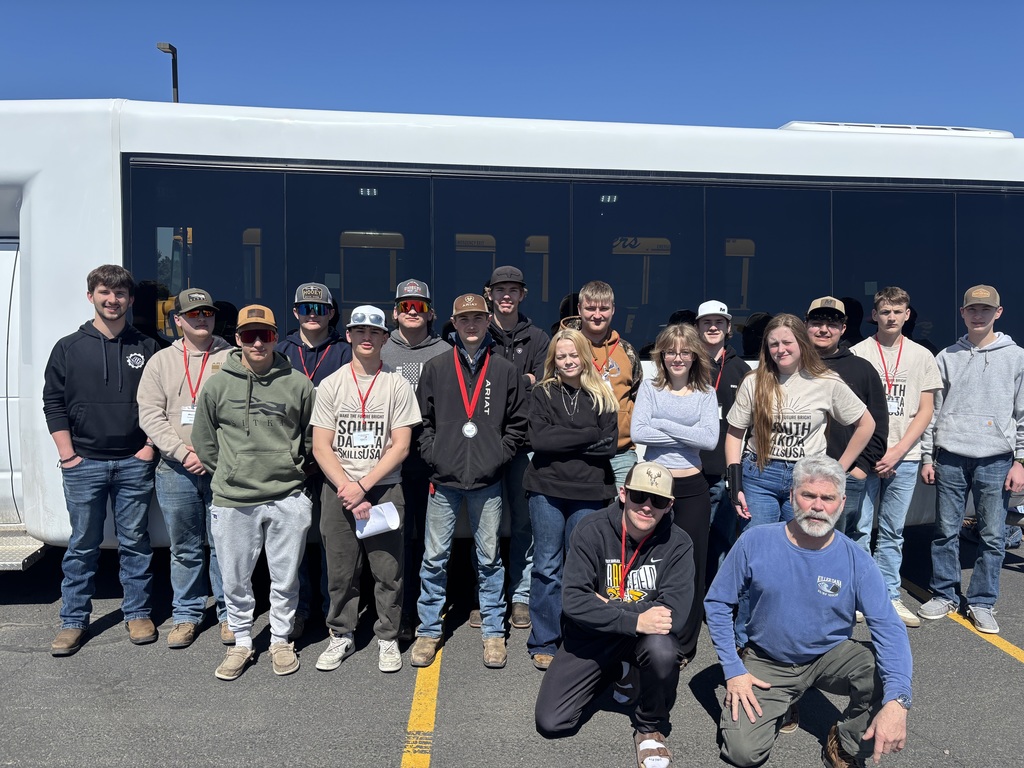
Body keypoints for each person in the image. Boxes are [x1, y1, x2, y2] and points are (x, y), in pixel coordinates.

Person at [705, 455, 912, 768]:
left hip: (829, 655)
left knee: (888, 675)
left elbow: (889, 628)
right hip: (768, 658)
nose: (818, 506)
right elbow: (718, 603)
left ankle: (843, 744)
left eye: (827, 498)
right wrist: (733, 670)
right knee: (742, 752)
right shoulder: (755, 542)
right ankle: (783, 700)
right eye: (808, 495)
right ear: (792, 497)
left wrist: (899, 702)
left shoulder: (857, 560)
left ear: (841, 503)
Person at [724, 313, 875, 649]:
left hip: (806, 482)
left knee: (802, 559)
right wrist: (735, 484)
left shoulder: (828, 381)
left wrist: (839, 470)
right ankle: (746, 642)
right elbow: (735, 434)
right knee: (759, 556)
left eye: (786, 342)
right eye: (773, 343)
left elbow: (866, 424)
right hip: (760, 475)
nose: (780, 349)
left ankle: (792, 637)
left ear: (801, 344)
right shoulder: (755, 381)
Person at [535, 461, 694, 768]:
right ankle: (619, 671)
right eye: (639, 496)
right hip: (592, 636)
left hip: (642, 640)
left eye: (658, 500)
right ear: (623, 494)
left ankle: (649, 728)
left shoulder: (678, 543)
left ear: (669, 505)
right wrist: (634, 618)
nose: (647, 507)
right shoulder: (591, 528)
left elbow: (675, 614)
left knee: (663, 649)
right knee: (553, 722)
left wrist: (605, 604)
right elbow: (573, 601)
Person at [192, 305, 315, 680]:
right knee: (235, 578)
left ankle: (280, 640)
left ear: (277, 336)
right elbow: (204, 439)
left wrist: (293, 470)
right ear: (238, 339)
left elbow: (311, 438)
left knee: (285, 576)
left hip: (287, 496)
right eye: (249, 335)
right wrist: (231, 470)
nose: (258, 342)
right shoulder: (217, 385)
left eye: (265, 334)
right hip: (233, 499)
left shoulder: (297, 383)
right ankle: (242, 642)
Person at [44, 264, 159, 656]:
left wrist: (148, 448)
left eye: (120, 294)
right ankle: (73, 621)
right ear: (90, 295)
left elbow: (158, 404)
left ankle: (138, 613)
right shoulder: (68, 347)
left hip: (133, 461)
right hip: (84, 464)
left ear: (130, 299)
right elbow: (53, 403)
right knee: (81, 546)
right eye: (105, 293)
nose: (113, 300)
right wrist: (68, 455)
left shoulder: (146, 346)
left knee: (135, 543)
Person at [410, 293, 527, 670]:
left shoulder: (505, 369)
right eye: (465, 319)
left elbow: (517, 425)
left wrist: (497, 457)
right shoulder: (437, 367)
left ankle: (493, 633)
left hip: (487, 482)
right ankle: (428, 631)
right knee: (434, 559)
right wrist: (435, 455)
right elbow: (422, 423)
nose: (472, 325)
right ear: (453, 323)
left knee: (489, 560)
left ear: (488, 319)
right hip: (443, 482)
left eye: (478, 318)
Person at [311, 305, 421, 673]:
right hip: (338, 490)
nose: (367, 338)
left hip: (384, 490)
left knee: (388, 572)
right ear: (349, 336)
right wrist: (348, 487)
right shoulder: (331, 384)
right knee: (341, 572)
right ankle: (341, 635)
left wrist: (364, 486)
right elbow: (321, 446)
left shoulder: (397, 384)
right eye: (360, 331)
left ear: (385, 338)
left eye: (374, 332)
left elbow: (401, 446)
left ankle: (387, 638)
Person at [918, 285, 1024, 634]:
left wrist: (1021, 461)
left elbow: (1022, 414)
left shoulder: (1016, 357)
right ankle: (944, 594)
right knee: (945, 531)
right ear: (962, 313)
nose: (978, 315)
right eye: (972, 309)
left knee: (993, 535)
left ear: (999, 312)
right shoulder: (946, 356)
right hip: (949, 455)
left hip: (996, 459)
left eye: (985, 309)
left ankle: (981, 602)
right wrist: (927, 457)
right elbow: (931, 411)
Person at [138, 287, 233, 648]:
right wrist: (181, 451)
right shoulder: (161, 361)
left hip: (222, 467)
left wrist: (212, 453)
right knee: (185, 547)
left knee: (225, 545)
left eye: (206, 313)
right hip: (175, 468)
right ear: (177, 320)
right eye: (193, 314)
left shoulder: (233, 357)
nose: (202, 319)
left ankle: (229, 615)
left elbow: (242, 411)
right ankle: (187, 614)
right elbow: (150, 414)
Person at [522, 328, 618, 670]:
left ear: (583, 356)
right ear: (553, 359)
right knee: (547, 566)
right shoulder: (542, 393)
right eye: (560, 356)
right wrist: (588, 434)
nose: (567, 361)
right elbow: (541, 441)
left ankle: (578, 636)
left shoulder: (602, 394)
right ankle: (544, 639)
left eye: (572, 355)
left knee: (582, 569)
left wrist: (569, 437)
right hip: (547, 489)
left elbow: (609, 444)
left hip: (590, 492)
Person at [851, 287, 942, 627]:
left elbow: (926, 410)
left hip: (905, 456)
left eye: (897, 312)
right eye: (884, 312)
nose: (891, 317)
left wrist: (899, 450)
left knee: (892, 531)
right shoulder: (858, 354)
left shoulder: (922, 356)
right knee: (859, 528)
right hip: (866, 457)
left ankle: (888, 595)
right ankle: (859, 596)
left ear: (907, 315)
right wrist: (874, 452)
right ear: (875, 315)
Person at [631, 323, 719, 665]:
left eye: (684, 352)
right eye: (670, 352)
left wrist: (663, 425)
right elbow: (639, 431)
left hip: (693, 487)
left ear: (694, 354)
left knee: (693, 566)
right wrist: (688, 433)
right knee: (649, 562)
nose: (677, 358)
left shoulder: (706, 393)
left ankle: (683, 643)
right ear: (662, 355)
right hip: (654, 486)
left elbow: (709, 441)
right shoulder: (650, 388)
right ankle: (647, 631)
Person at [276, 281, 352, 640]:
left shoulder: (345, 352)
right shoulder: (279, 351)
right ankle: (299, 609)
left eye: (319, 309)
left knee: (331, 540)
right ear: (295, 313)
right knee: (294, 540)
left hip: (332, 458)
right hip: (290, 460)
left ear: (331, 313)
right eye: (305, 309)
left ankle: (330, 610)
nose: (312, 315)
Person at [380, 279, 452, 638]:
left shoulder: (444, 351)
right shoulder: (380, 348)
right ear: (395, 312)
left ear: (430, 313)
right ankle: (400, 612)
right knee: (395, 540)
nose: (412, 311)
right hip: (388, 461)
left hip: (428, 460)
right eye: (405, 305)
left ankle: (426, 613)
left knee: (428, 542)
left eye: (419, 306)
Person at [484, 265, 550, 632]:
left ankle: (520, 598)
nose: (506, 295)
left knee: (524, 525)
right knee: (485, 524)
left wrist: (508, 379)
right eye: (500, 289)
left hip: (524, 443)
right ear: (489, 293)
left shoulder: (539, 338)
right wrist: (520, 379)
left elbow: (542, 385)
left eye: (513, 290)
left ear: (523, 295)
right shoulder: (476, 328)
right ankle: (487, 596)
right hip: (481, 443)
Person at [805, 296, 889, 553]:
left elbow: (879, 425)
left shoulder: (861, 370)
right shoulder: (792, 366)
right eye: (817, 322)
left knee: (843, 544)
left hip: (845, 475)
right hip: (800, 474)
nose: (823, 330)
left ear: (843, 328)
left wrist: (860, 468)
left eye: (832, 324)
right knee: (799, 542)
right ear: (805, 325)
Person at [695, 300, 751, 584]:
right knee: (690, 537)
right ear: (698, 327)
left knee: (722, 539)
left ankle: (715, 598)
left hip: (723, 471)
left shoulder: (741, 370)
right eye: (706, 322)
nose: (713, 327)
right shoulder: (687, 365)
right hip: (690, 469)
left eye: (719, 322)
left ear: (729, 328)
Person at [571, 280, 643, 488]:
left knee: (622, 514)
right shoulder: (564, 347)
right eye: (590, 308)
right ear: (579, 309)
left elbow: (636, 397)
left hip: (620, 454)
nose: (597, 315)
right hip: (577, 454)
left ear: (613, 310)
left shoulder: (627, 351)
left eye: (603, 308)